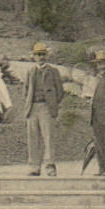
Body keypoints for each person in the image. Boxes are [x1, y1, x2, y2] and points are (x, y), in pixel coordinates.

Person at [19, 41, 64, 176]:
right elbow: (25, 90)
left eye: (43, 54)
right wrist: (29, 103)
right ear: (34, 56)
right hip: (32, 107)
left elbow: (60, 91)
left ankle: (50, 166)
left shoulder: (53, 71)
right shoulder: (30, 71)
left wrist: (52, 104)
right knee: (33, 138)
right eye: (38, 55)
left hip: (46, 107)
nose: (41, 57)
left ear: (47, 56)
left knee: (48, 137)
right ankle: (34, 166)